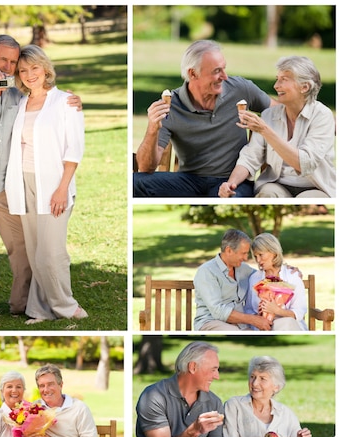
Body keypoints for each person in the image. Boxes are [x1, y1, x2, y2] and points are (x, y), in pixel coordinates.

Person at [0, 34, 81, 328]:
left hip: (7, 185)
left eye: (13, 62)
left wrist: (73, 101)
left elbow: (43, 108)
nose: (8, 67)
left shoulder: (17, 95)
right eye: (3, 60)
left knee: (24, 249)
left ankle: (23, 303)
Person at [5, 44, 87, 323]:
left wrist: (62, 188)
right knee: (35, 251)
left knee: (51, 253)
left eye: (35, 68)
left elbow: (74, 150)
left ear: (46, 69)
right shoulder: (19, 102)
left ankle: (68, 307)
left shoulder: (65, 102)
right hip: (24, 182)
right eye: (23, 70)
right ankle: (40, 309)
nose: (29, 75)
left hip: (54, 185)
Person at [133, 40, 275, 197]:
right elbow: (146, 168)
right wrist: (152, 129)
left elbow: (280, 112)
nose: (225, 76)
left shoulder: (241, 89)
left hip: (233, 182)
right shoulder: (170, 105)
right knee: (134, 183)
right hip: (188, 182)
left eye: (224, 69)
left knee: (229, 200)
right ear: (193, 73)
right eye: (216, 71)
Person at [219, 56, 335, 198]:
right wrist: (230, 184)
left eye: (283, 80)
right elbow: (250, 158)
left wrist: (264, 130)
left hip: (316, 187)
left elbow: (303, 164)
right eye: (277, 79)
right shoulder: (269, 115)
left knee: (307, 199)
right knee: (267, 194)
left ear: (304, 87)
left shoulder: (322, 116)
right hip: (277, 183)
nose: (276, 86)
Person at [135, 341, 225, 437]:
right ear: (193, 367)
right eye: (213, 370)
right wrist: (194, 430)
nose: (217, 376)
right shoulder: (154, 396)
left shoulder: (214, 402)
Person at [223, 356, 316, 437]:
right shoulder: (235, 406)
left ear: (276, 387)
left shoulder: (285, 414)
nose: (254, 383)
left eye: (262, 378)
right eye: (252, 377)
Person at [193, 229, 273, 331]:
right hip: (211, 322)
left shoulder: (243, 269)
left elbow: (265, 276)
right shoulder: (207, 271)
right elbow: (218, 311)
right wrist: (254, 320)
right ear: (229, 250)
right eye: (243, 253)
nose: (245, 258)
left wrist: (286, 269)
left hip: (240, 325)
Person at [32, 364, 98, 437]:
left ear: (61, 385)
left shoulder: (79, 408)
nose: (46, 389)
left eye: (50, 384)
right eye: (42, 386)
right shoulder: (34, 409)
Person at [244, 233, 306, 331]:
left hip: (289, 327)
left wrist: (276, 310)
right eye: (255, 257)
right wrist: (259, 315)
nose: (258, 260)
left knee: (286, 323)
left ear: (273, 252)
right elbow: (248, 310)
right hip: (262, 329)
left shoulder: (292, 276)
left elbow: (299, 312)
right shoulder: (254, 278)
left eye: (261, 255)